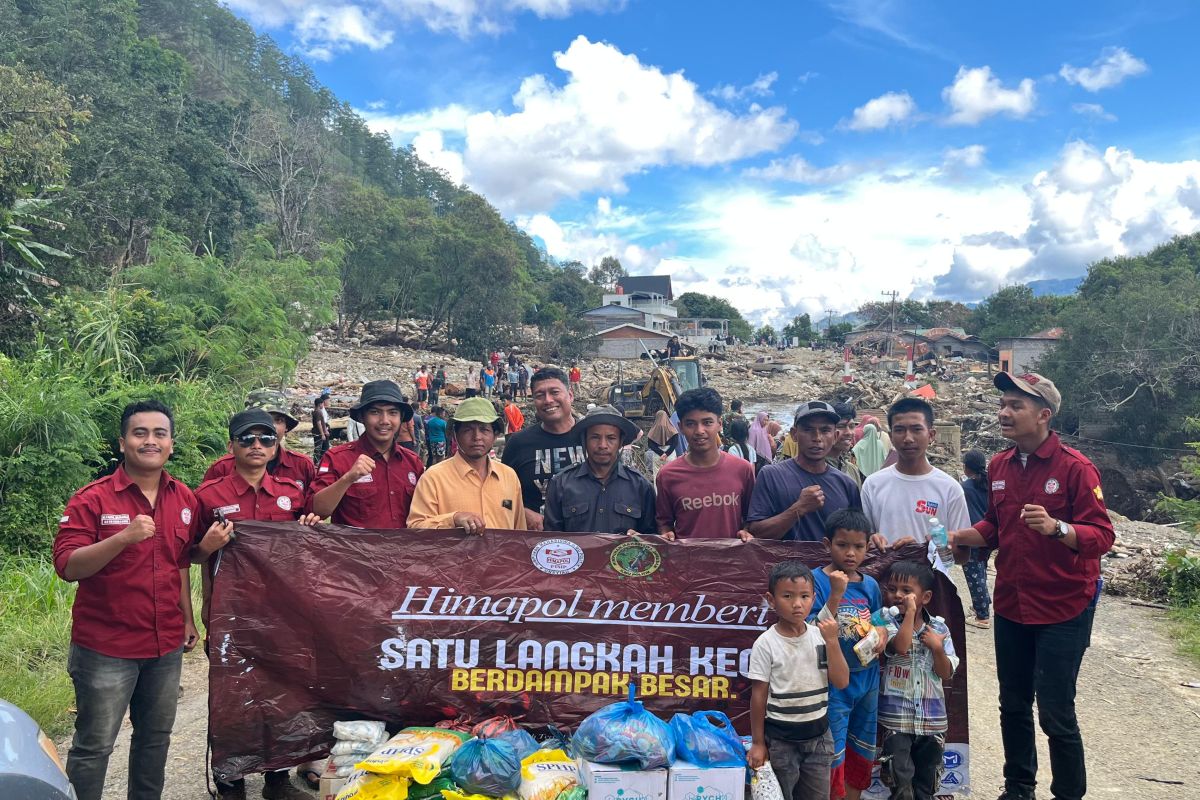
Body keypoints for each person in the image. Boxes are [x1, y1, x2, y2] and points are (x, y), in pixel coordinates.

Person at [948, 373, 1112, 800]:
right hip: (1013, 604)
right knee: (1013, 705)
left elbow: (1102, 536)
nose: (1004, 412)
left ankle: (1068, 794)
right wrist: (967, 536)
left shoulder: (1075, 468)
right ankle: (1019, 788)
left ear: (1043, 415)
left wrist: (1059, 529)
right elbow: (996, 527)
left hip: (1064, 606)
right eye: (1003, 404)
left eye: (1016, 406)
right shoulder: (999, 466)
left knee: (1056, 711)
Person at [53, 400, 225, 800]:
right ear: (122, 443)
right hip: (105, 647)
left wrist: (187, 619)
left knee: (154, 740)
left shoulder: (184, 498)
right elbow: (68, 566)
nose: (150, 441)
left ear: (171, 444)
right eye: (140, 433)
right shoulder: (92, 499)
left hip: (164, 644)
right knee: (94, 745)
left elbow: (180, 562)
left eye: (159, 434)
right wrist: (124, 537)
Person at [193, 409, 318, 800]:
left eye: (265, 439)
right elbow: (190, 555)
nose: (257, 446)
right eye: (247, 439)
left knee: (283, 692)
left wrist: (308, 534)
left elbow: (302, 554)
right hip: (230, 610)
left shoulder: (291, 493)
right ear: (232, 445)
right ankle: (230, 779)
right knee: (232, 695)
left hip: (281, 611)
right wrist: (207, 548)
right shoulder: (208, 496)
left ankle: (277, 778)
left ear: (275, 445)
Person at [747, 561, 848, 800]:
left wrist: (833, 642)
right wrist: (758, 743)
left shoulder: (820, 635)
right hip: (782, 741)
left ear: (813, 598)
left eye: (804, 596)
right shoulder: (766, 643)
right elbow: (758, 696)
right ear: (771, 600)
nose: (797, 604)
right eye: (787, 596)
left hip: (819, 738)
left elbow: (842, 681)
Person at [809, 508, 888, 800]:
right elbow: (811, 629)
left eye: (858, 546)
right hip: (832, 682)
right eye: (843, 545)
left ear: (868, 546)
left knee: (861, 746)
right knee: (833, 750)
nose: (851, 553)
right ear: (827, 545)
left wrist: (882, 633)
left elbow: (881, 620)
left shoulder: (870, 585)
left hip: (867, 679)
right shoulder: (816, 580)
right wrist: (836, 594)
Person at [878, 560, 959, 800]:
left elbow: (946, 673)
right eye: (892, 589)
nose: (898, 596)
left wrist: (937, 649)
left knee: (927, 781)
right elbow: (900, 647)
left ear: (926, 597)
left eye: (906, 591)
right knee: (899, 780)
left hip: (931, 719)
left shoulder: (939, 628)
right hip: (897, 718)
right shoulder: (885, 621)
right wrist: (910, 613)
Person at [861, 398, 971, 571]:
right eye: (899, 430)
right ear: (890, 437)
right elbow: (861, 542)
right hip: (884, 587)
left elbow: (962, 556)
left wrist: (926, 548)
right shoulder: (873, 484)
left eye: (916, 429)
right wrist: (872, 541)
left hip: (931, 590)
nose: (908, 438)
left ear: (931, 435)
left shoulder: (949, 488)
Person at [310, 380, 425, 528]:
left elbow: (425, 514)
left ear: (401, 418)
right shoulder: (337, 458)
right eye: (375, 412)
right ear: (361, 417)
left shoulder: (412, 462)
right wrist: (347, 478)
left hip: (403, 549)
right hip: (354, 550)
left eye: (392, 413)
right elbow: (316, 510)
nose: (384, 421)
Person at [746, 401, 861, 542]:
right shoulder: (771, 476)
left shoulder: (847, 484)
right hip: (784, 564)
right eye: (808, 430)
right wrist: (798, 509)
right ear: (794, 434)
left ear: (835, 436)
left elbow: (857, 537)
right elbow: (756, 533)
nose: (817, 438)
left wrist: (875, 538)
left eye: (825, 430)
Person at [407, 398, 525, 531]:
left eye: (484, 429)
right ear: (455, 435)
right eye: (468, 430)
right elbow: (415, 528)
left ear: (495, 435)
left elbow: (519, 531)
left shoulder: (509, 476)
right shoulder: (434, 478)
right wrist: (453, 519)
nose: (477, 437)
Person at [654, 387, 755, 540]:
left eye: (707, 422)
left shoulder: (742, 470)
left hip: (733, 561)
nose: (699, 430)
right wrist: (665, 533)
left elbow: (752, 518)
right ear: (680, 427)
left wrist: (747, 531)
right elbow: (664, 522)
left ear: (719, 424)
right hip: (686, 562)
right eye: (690, 424)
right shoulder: (667, 475)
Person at [543, 405, 657, 535]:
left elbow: (653, 540)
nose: (602, 445)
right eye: (595, 437)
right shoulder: (561, 484)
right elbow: (550, 540)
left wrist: (641, 540)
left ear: (620, 442)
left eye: (611, 438)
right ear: (584, 440)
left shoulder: (641, 486)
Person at [501, 367, 585, 530]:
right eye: (540, 395)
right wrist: (523, 512)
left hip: (589, 539)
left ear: (570, 395)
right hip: (535, 543)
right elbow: (502, 498)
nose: (548, 400)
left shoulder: (592, 437)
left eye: (554, 392)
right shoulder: (518, 443)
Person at [202, 389, 317, 494]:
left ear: (286, 426)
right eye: (262, 420)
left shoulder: (302, 466)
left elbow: (311, 509)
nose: (271, 427)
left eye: (278, 420)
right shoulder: (222, 468)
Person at [960, 449, 993, 627]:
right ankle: (983, 602)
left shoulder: (965, 488)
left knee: (974, 574)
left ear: (966, 468)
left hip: (972, 535)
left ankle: (982, 615)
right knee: (981, 570)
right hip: (988, 536)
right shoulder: (988, 484)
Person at [828, 402, 864, 488]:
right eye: (841, 426)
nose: (849, 433)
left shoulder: (852, 470)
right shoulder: (814, 469)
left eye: (851, 426)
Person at [312, 391, 331, 466]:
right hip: (319, 433)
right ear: (320, 404)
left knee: (323, 447)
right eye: (322, 403)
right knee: (319, 447)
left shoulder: (318, 411)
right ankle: (317, 462)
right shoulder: (318, 412)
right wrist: (323, 433)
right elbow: (319, 423)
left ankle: (320, 461)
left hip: (321, 431)